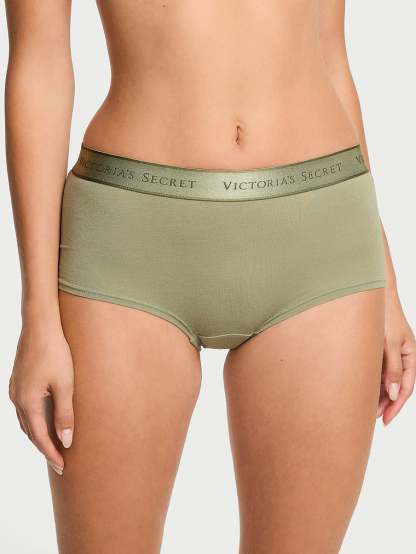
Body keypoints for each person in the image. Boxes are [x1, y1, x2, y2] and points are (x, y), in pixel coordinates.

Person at [4, 1, 415, 553]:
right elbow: (40, 62)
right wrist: (38, 316)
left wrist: (385, 281)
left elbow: (329, 52)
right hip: (130, 245)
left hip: (322, 239)